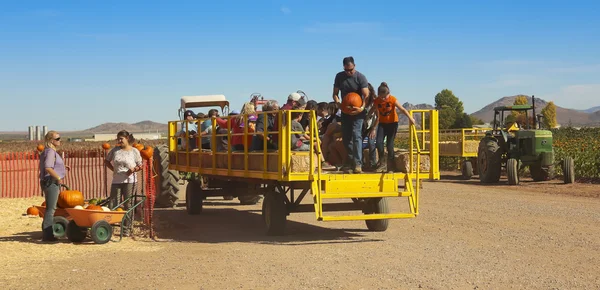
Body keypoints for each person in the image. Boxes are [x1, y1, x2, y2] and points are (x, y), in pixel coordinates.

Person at [333, 56, 370, 173]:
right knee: (346, 137)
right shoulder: (339, 76)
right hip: (345, 111)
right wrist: (339, 104)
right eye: (347, 70)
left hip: (358, 111)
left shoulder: (360, 77)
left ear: (354, 66)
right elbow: (335, 94)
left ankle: (358, 164)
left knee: (356, 135)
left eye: (351, 70)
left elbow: (366, 95)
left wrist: (362, 108)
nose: (349, 72)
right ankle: (350, 161)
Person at [370, 82, 416, 173]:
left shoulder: (392, 99)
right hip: (382, 124)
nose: (383, 99)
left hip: (392, 124)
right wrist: (367, 116)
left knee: (389, 145)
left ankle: (391, 166)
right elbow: (373, 109)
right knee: (379, 143)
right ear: (378, 95)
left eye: (385, 97)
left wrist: (410, 118)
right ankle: (382, 161)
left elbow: (402, 109)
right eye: (381, 97)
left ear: (388, 94)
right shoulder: (377, 101)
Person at [104, 130, 143, 236]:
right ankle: (110, 228)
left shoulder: (134, 151)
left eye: (121, 138)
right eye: (118, 138)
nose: (119, 140)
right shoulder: (115, 150)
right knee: (113, 203)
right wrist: (113, 170)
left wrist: (133, 169)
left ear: (127, 139)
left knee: (128, 204)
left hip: (130, 181)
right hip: (116, 180)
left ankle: (126, 228)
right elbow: (106, 161)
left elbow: (141, 165)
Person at [39, 130, 69, 242]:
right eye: (57, 139)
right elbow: (48, 167)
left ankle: (46, 232)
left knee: (50, 209)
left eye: (60, 138)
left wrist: (63, 166)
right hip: (51, 182)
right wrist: (58, 178)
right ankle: (48, 236)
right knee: (51, 209)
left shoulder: (47, 151)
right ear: (51, 140)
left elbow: (49, 165)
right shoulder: (51, 151)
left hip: (48, 181)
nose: (60, 140)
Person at [362, 83, 378, 171]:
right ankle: (361, 163)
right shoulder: (360, 100)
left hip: (374, 124)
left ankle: (373, 163)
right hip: (365, 126)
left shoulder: (375, 101)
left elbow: (378, 117)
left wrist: (373, 129)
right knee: (358, 142)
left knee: (371, 141)